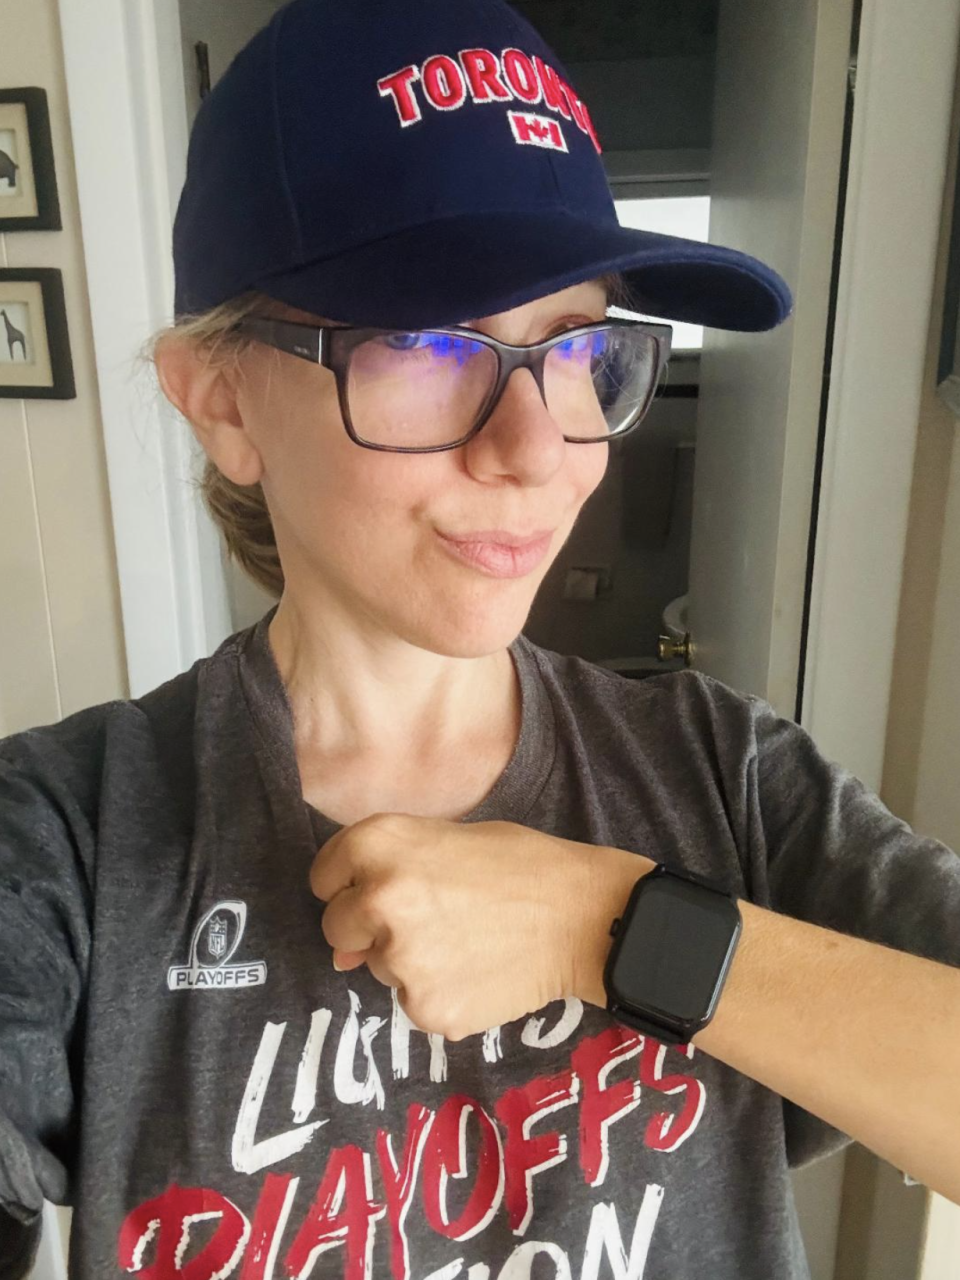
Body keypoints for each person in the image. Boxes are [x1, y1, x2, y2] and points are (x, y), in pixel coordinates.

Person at [2, 1, 959, 1277]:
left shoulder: (723, 775)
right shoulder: (67, 838)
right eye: (423, 338)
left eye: (579, 348)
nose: (538, 450)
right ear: (224, 400)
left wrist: (609, 924)